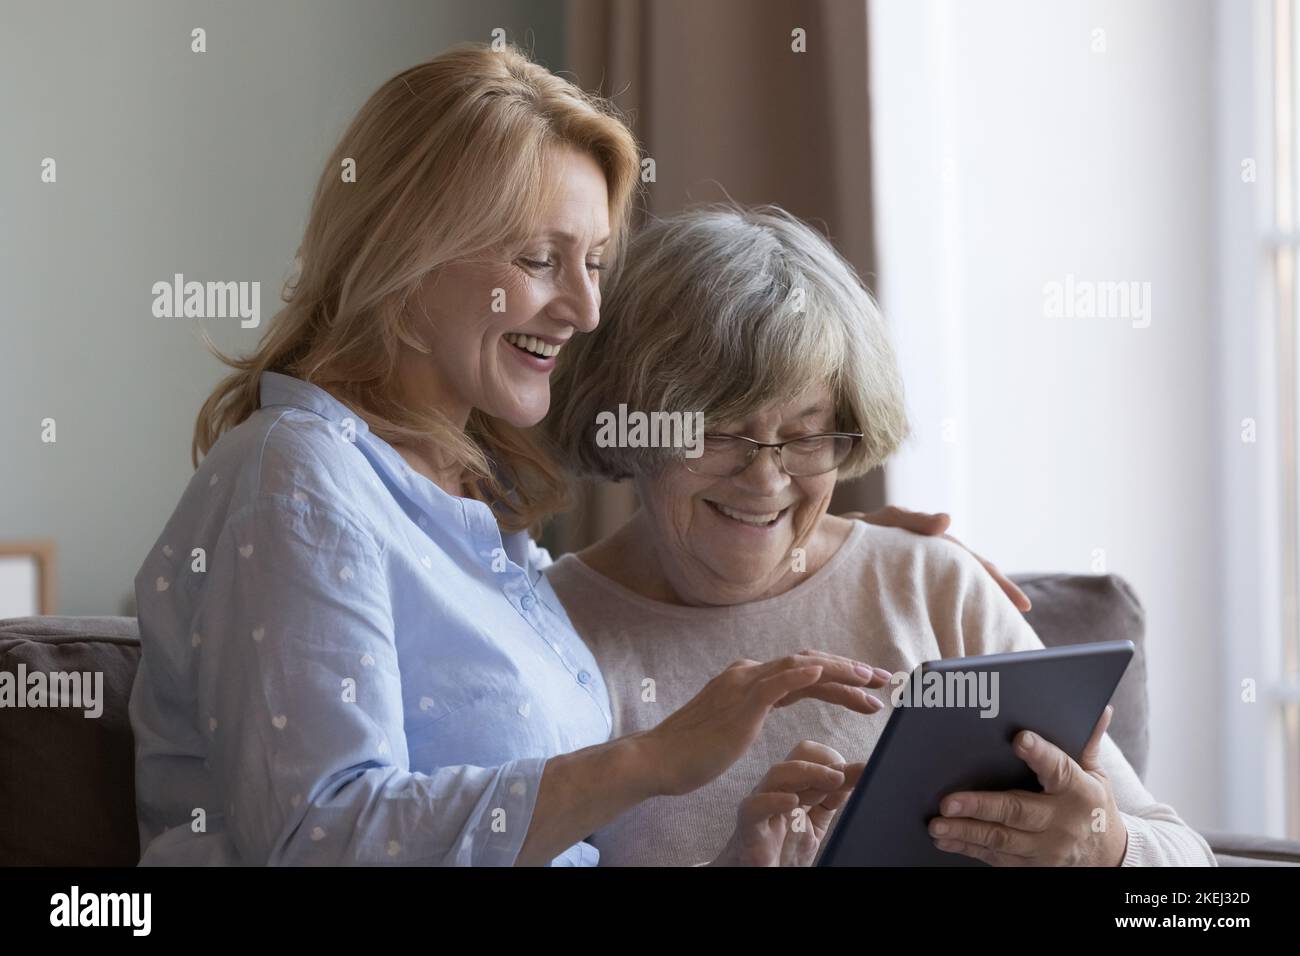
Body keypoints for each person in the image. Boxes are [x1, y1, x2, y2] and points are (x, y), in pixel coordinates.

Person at [127, 45, 891, 867]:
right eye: (540, 260)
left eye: (594, 264)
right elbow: (321, 840)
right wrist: (651, 761)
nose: (588, 309)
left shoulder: (462, 504)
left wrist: (852, 541)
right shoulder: (296, 480)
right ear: (406, 252)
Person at [543, 204, 1217, 866]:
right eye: (719, 433)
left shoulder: (931, 586)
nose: (765, 480)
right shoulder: (547, 627)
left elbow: (1191, 870)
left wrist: (1104, 847)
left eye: (805, 436)